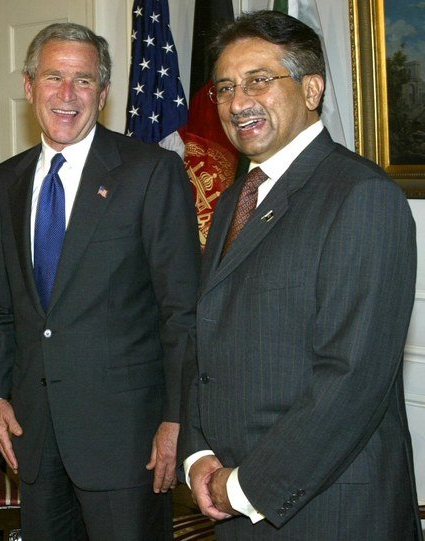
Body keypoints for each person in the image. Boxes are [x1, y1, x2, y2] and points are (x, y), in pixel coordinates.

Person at [179, 10, 422, 540]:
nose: (237, 102)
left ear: (312, 89)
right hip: (235, 503)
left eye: (259, 80)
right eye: (224, 87)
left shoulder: (362, 198)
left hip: (329, 509)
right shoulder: (231, 204)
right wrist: (198, 453)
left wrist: (243, 487)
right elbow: (205, 336)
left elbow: (350, 379)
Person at [0, 22, 199, 540]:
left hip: (127, 443)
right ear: (30, 86)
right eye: (54, 77)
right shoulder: (5, 179)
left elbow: (182, 310)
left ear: (102, 94)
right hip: (33, 433)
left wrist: (177, 422)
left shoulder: (150, 171)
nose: (67, 95)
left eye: (83, 81)